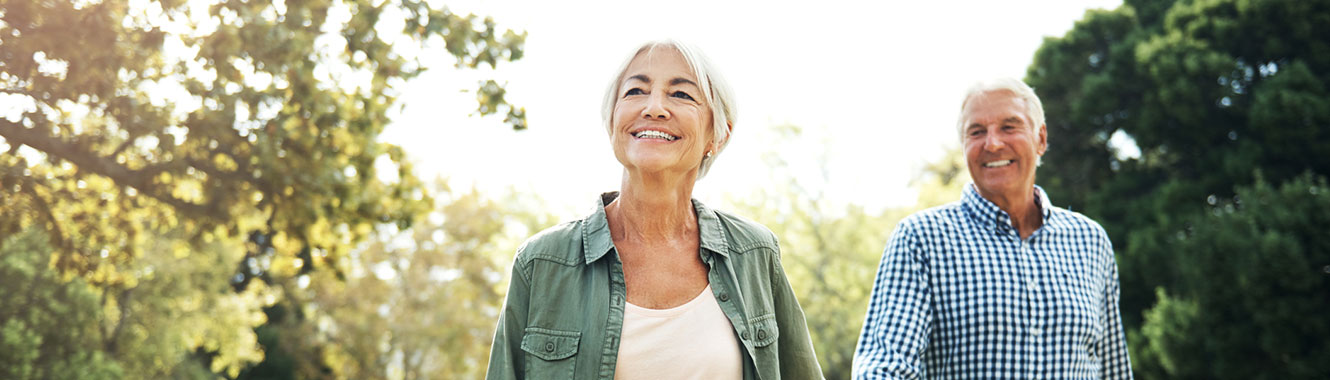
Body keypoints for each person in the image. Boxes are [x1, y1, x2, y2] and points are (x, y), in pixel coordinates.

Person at [485, 40, 823, 380]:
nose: (655, 107)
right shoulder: (543, 261)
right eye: (635, 91)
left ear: (717, 135)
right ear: (613, 121)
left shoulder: (755, 253)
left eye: (681, 95)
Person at [852, 78, 1132, 379]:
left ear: (1041, 139)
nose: (993, 143)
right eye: (977, 132)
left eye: (1009, 127)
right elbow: (884, 366)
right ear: (963, 146)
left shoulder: (1090, 241)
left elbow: (1113, 370)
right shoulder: (921, 239)